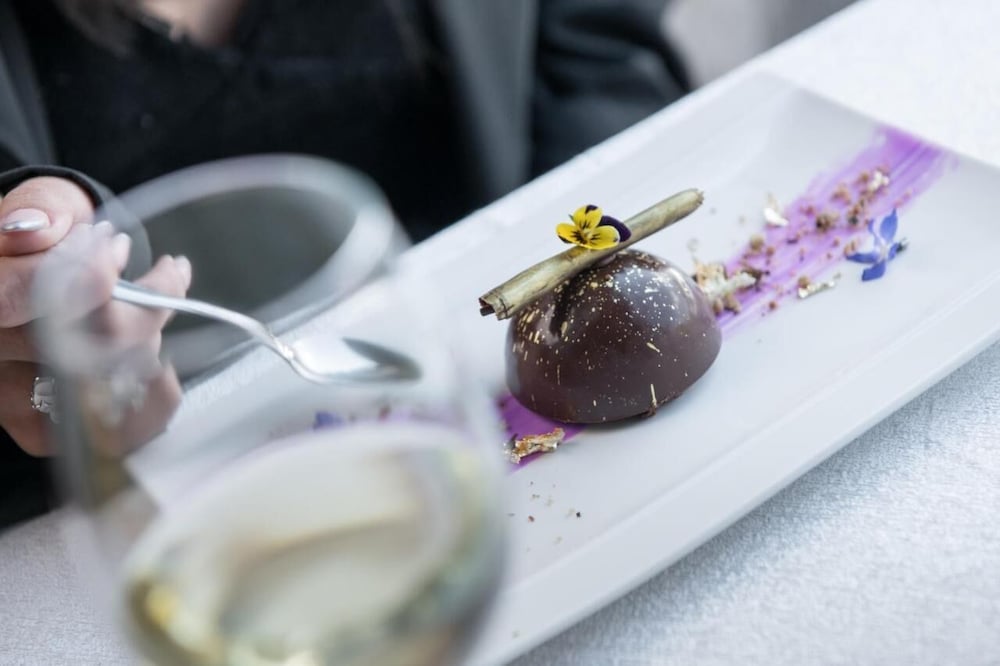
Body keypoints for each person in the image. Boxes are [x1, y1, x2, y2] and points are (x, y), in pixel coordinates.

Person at [0, 0, 691, 526]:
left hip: (553, 450)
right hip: (212, 522)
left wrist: (584, 281)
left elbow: (596, 53)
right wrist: (39, 353)